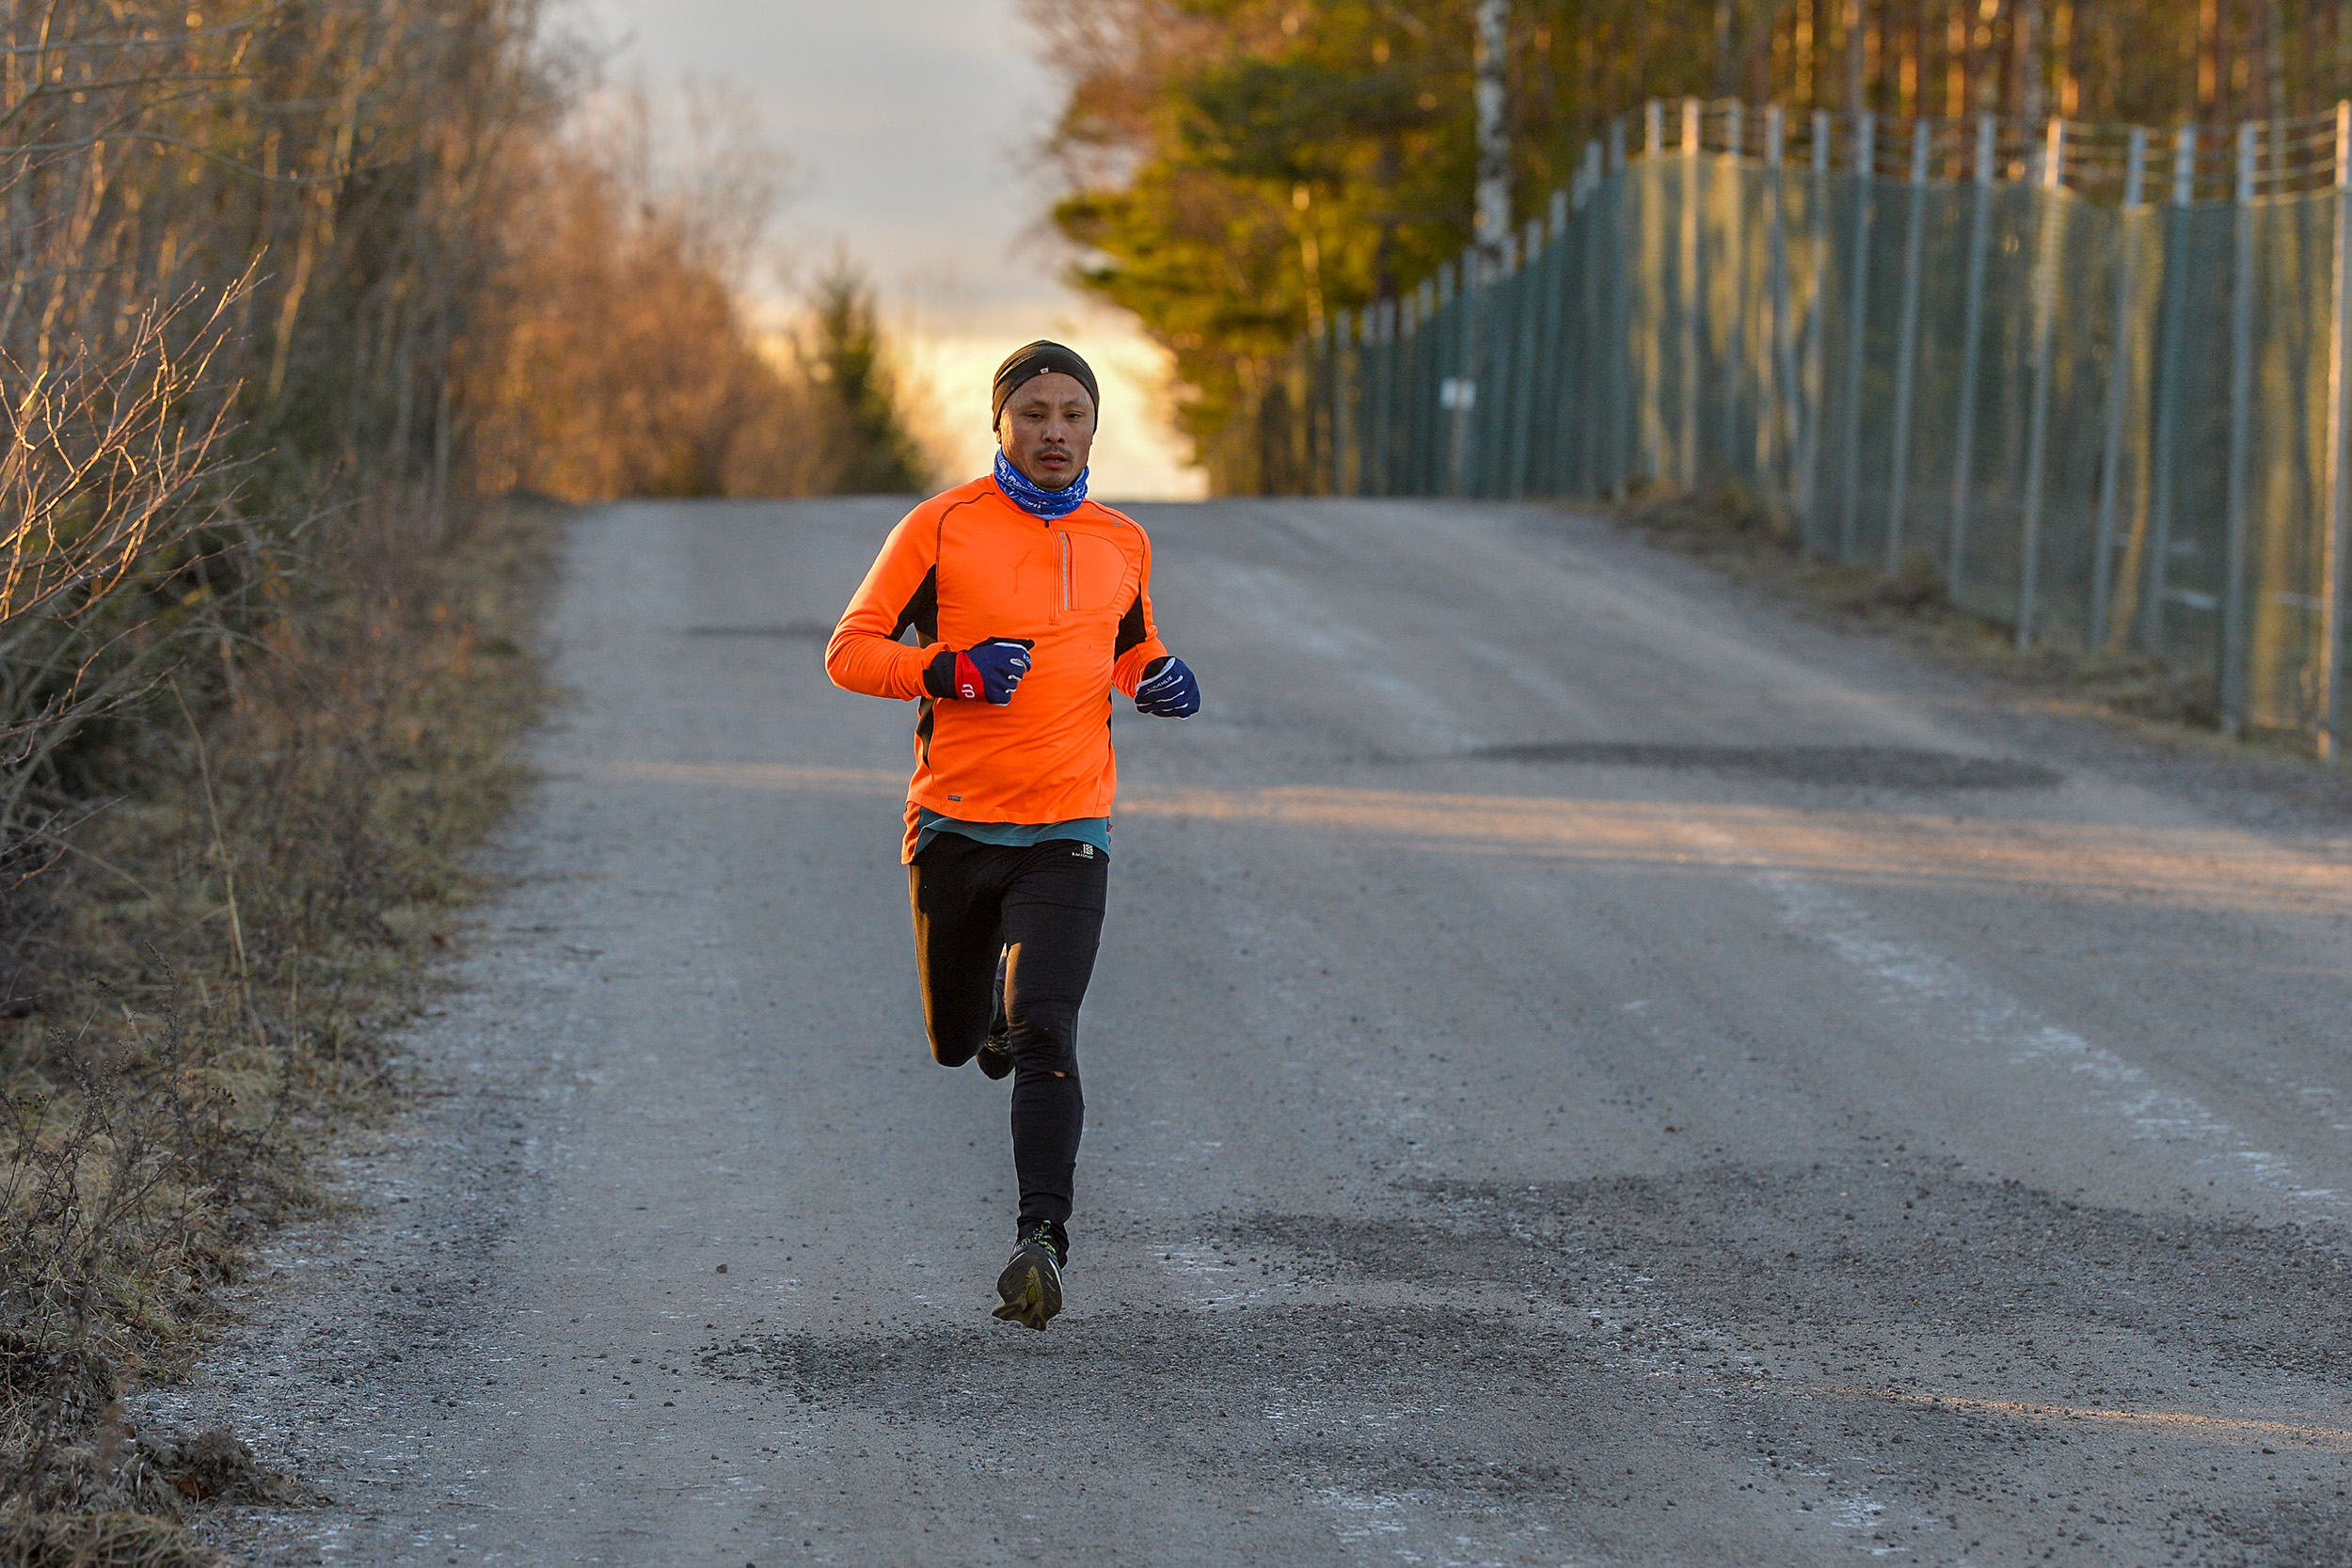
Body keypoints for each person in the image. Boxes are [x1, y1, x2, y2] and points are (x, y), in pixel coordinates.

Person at [824, 341, 1200, 1331]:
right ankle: (982, 1015)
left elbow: (1128, 644)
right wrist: (945, 669)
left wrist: (1157, 676)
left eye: (1072, 412)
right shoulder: (939, 527)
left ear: (1092, 425)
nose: (1054, 430)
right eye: (1033, 411)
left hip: (1070, 824)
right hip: (951, 824)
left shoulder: (1121, 540)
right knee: (958, 1042)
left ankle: (1042, 1239)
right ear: (999, 422)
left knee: (1048, 1029)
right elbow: (850, 650)